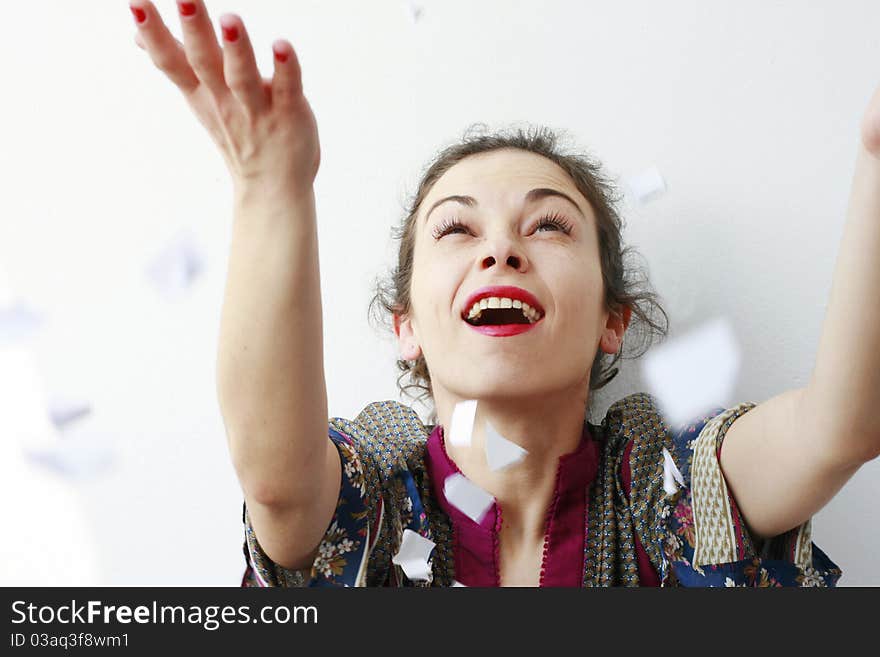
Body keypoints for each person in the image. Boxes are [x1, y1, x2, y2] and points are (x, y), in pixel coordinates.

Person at [129, 0, 880, 587]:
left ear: (612, 320)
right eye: (456, 230)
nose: (501, 247)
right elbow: (277, 482)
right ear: (407, 327)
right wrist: (269, 185)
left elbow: (841, 426)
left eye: (549, 225)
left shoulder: (671, 488)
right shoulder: (380, 500)